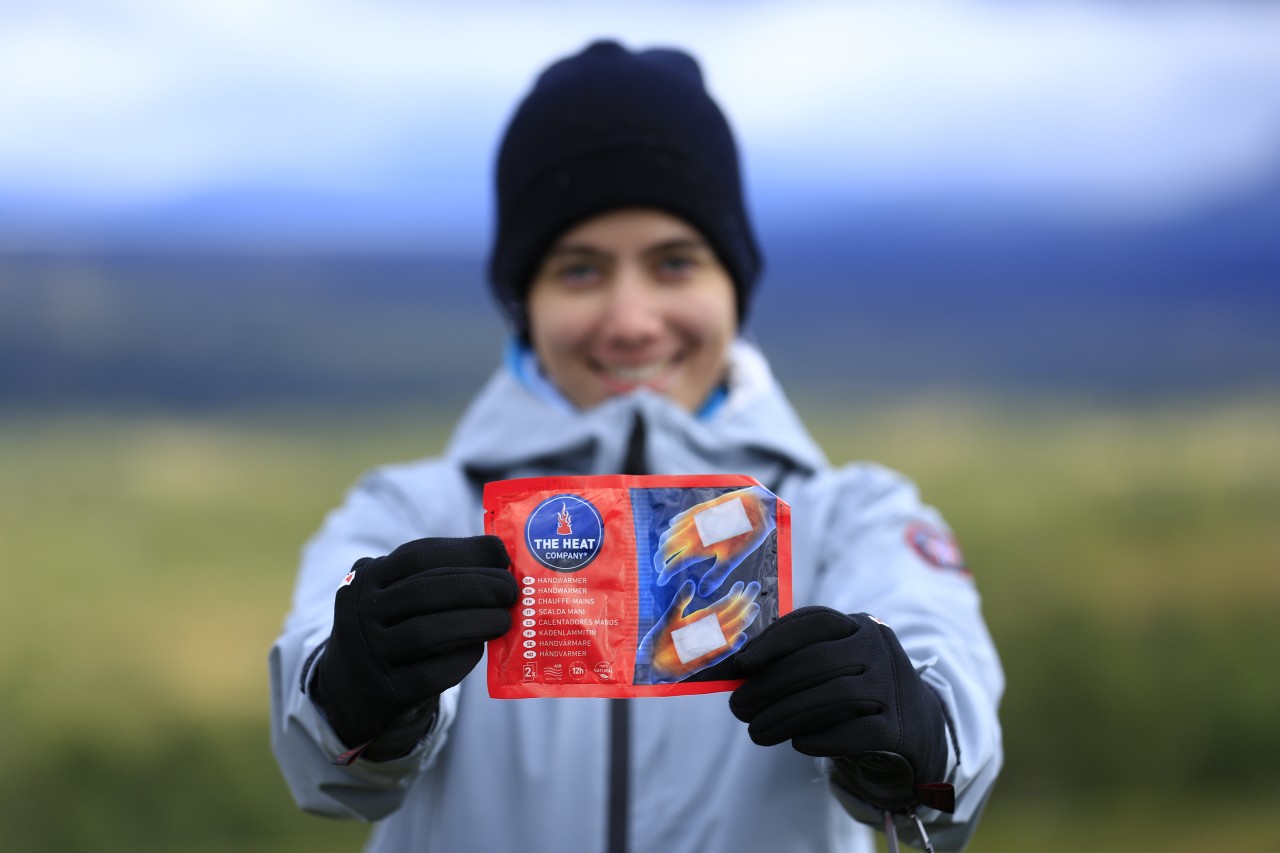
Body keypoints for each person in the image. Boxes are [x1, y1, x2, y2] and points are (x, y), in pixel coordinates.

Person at [269, 40, 1003, 853]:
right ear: (525, 301)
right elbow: (324, 766)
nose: (629, 318)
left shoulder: (850, 516)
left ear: (735, 285)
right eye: (579, 270)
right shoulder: (409, 512)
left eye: (675, 263)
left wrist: (916, 736)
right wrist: (356, 692)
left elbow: (950, 759)